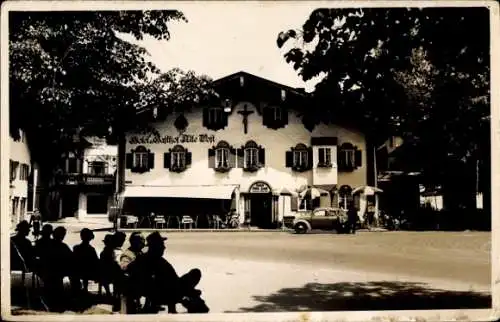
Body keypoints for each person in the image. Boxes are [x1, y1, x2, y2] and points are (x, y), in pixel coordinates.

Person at [127, 231, 208, 314]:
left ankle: (191, 300)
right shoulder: (157, 262)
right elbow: (171, 284)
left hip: (161, 291)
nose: (164, 247)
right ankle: (193, 303)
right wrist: (189, 291)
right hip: (164, 293)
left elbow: (130, 269)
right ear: (156, 246)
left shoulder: (144, 259)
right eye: (162, 245)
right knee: (195, 274)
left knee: (194, 274)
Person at [73, 228, 100, 293]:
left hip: (78, 270)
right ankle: (85, 288)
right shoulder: (91, 249)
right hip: (88, 271)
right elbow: (96, 261)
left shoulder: (76, 248)